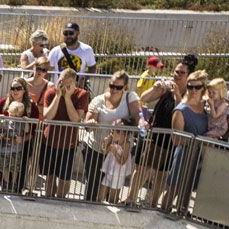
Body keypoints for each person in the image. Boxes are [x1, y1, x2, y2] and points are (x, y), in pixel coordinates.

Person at [131, 54, 195, 208]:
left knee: (162, 173)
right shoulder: (167, 86)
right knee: (142, 167)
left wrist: (177, 94)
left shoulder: (190, 92)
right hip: (154, 134)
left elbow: (184, 111)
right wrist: (156, 88)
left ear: (189, 76)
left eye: (181, 73)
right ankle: (130, 198)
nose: (177, 75)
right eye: (176, 71)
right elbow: (144, 98)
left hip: (172, 138)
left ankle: (152, 204)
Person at [80, 70, 139, 201]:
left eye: (118, 87)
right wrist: (90, 122)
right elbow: (88, 123)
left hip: (118, 151)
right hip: (96, 148)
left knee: (112, 189)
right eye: (112, 85)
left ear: (125, 87)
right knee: (93, 187)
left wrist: (142, 124)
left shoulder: (131, 98)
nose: (114, 89)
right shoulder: (99, 100)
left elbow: (137, 116)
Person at [161, 69, 209, 214]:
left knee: (188, 189)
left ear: (203, 88)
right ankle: (162, 213)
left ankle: (182, 213)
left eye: (197, 87)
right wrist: (196, 141)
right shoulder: (181, 109)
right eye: (190, 86)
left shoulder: (206, 107)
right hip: (184, 153)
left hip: (199, 155)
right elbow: (176, 139)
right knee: (173, 188)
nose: (193, 90)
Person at [39, 68, 89, 198]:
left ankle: (60, 199)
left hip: (68, 144)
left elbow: (75, 119)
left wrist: (67, 97)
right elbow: (48, 117)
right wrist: (58, 95)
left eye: (67, 84)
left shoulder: (82, 94)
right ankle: (49, 197)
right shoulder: (51, 93)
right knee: (49, 175)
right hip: (49, 141)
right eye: (60, 81)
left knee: (64, 177)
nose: (62, 86)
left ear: (74, 83)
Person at [0, 76, 41, 192]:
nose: (15, 91)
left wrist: (24, 138)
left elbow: (33, 129)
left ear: (24, 89)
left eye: (18, 88)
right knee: (4, 167)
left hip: (22, 145)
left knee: (19, 168)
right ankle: (5, 187)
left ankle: (17, 189)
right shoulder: (3, 103)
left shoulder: (31, 106)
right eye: (13, 88)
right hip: (4, 143)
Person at [0, 101, 30, 192]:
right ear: (8, 111)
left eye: (16, 115)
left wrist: (26, 121)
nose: (14, 117)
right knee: (4, 167)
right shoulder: (5, 119)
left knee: (15, 168)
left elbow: (26, 130)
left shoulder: (21, 121)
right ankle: (6, 183)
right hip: (4, 149)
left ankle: (14, 184)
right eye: (12, 114)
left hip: (16, 150)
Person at [99, 121, 133, 204]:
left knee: (113, 198)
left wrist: (115, 152)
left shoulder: (126, 144)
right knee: (101, 195)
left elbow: (122, 161)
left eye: (117, 131)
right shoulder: (112, 141)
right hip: (109, 171)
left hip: (118, 174)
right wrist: (105, 143)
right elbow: (104, 151)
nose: (113, 133)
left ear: (125, 134)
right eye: (113, 130)